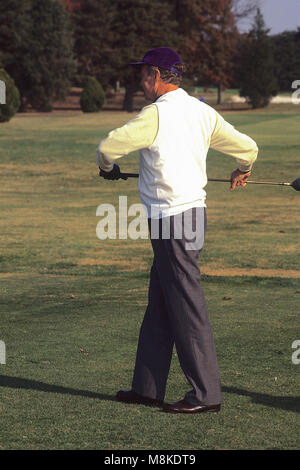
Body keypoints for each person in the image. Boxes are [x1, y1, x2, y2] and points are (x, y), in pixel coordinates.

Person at [96, 47, 258, 414]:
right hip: (192, 218)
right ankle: (147, 388)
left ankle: (206, 395)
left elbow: (108, 148)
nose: (140, 81)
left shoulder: (155, 114)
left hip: (171, 221)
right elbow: (247, 147)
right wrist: (243, 167)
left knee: (185, 304)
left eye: (143, 74)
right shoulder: (201, 110)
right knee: (162, 304)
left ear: (155, 75)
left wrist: (106, 168)